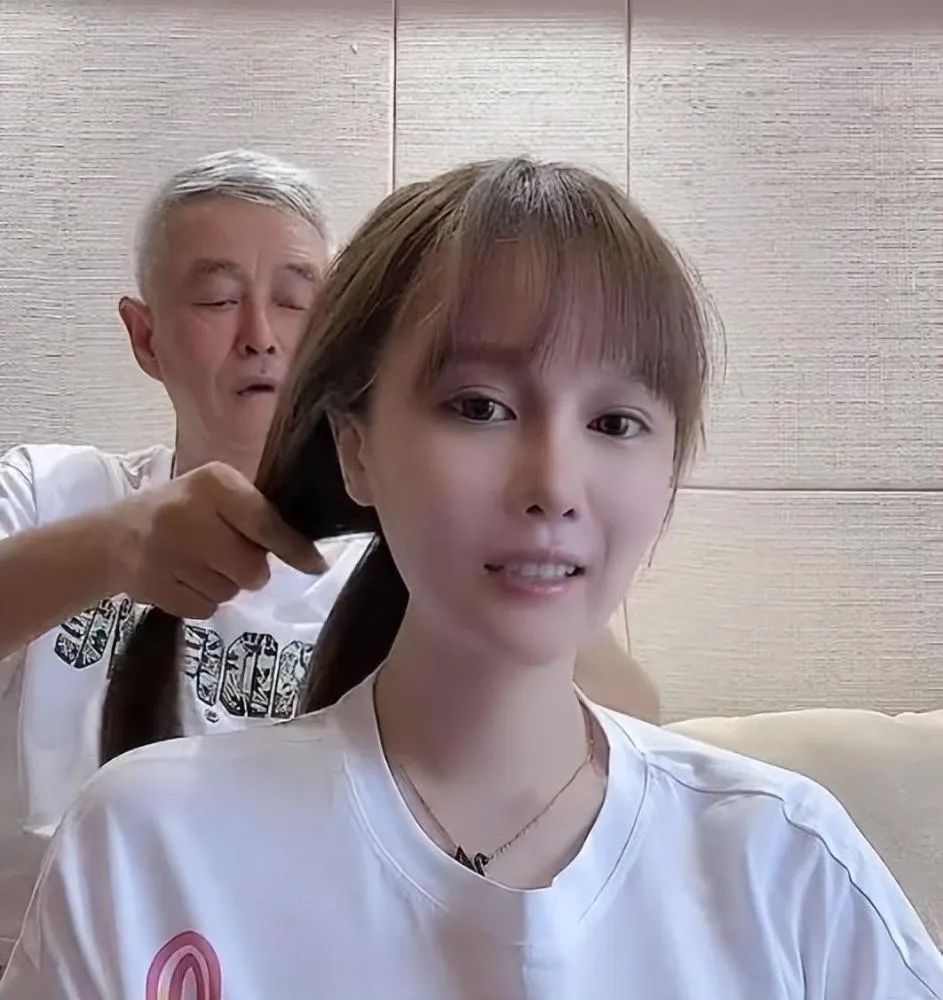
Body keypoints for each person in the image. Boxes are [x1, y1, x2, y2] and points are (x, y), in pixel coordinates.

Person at [12, 155, 932, 1000]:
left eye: (615, 423)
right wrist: (114, 548)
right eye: (480, 407)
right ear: (355, 446)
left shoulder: (785, 859)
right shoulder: (145, 843)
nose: (553, 484)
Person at [0, 151, 658, 972]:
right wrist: (112, 549)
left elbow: (636, 737)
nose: (260, 335)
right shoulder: (54, 493)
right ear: (146, 336)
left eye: (294, 298)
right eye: (217, 299)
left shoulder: (413, 555)